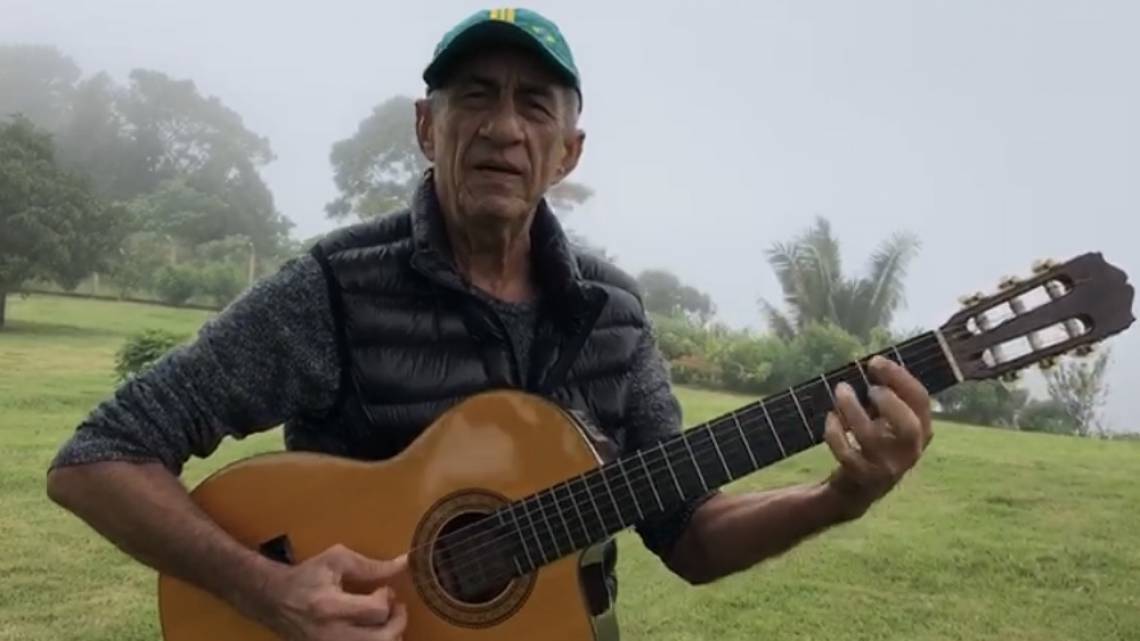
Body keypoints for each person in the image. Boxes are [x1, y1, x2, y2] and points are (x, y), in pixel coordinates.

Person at [46, 7, 933, 641]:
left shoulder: (613, 318)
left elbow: (690, 536)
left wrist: (839, 493)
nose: (504, 126)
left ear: (568, 150)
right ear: (428, 128)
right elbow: (97, 459)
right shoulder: (334, 285)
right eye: (475, 96)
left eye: (535, 104)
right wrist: (269, 588)